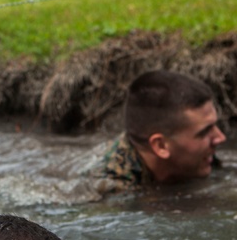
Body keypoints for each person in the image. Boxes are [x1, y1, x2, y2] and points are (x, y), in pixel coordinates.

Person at [94, 69, 227, 193]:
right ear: (161, 146)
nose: (220, 138)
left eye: (215, 125)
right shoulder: (109, 189)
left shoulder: (198, 155)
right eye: (204, 132)